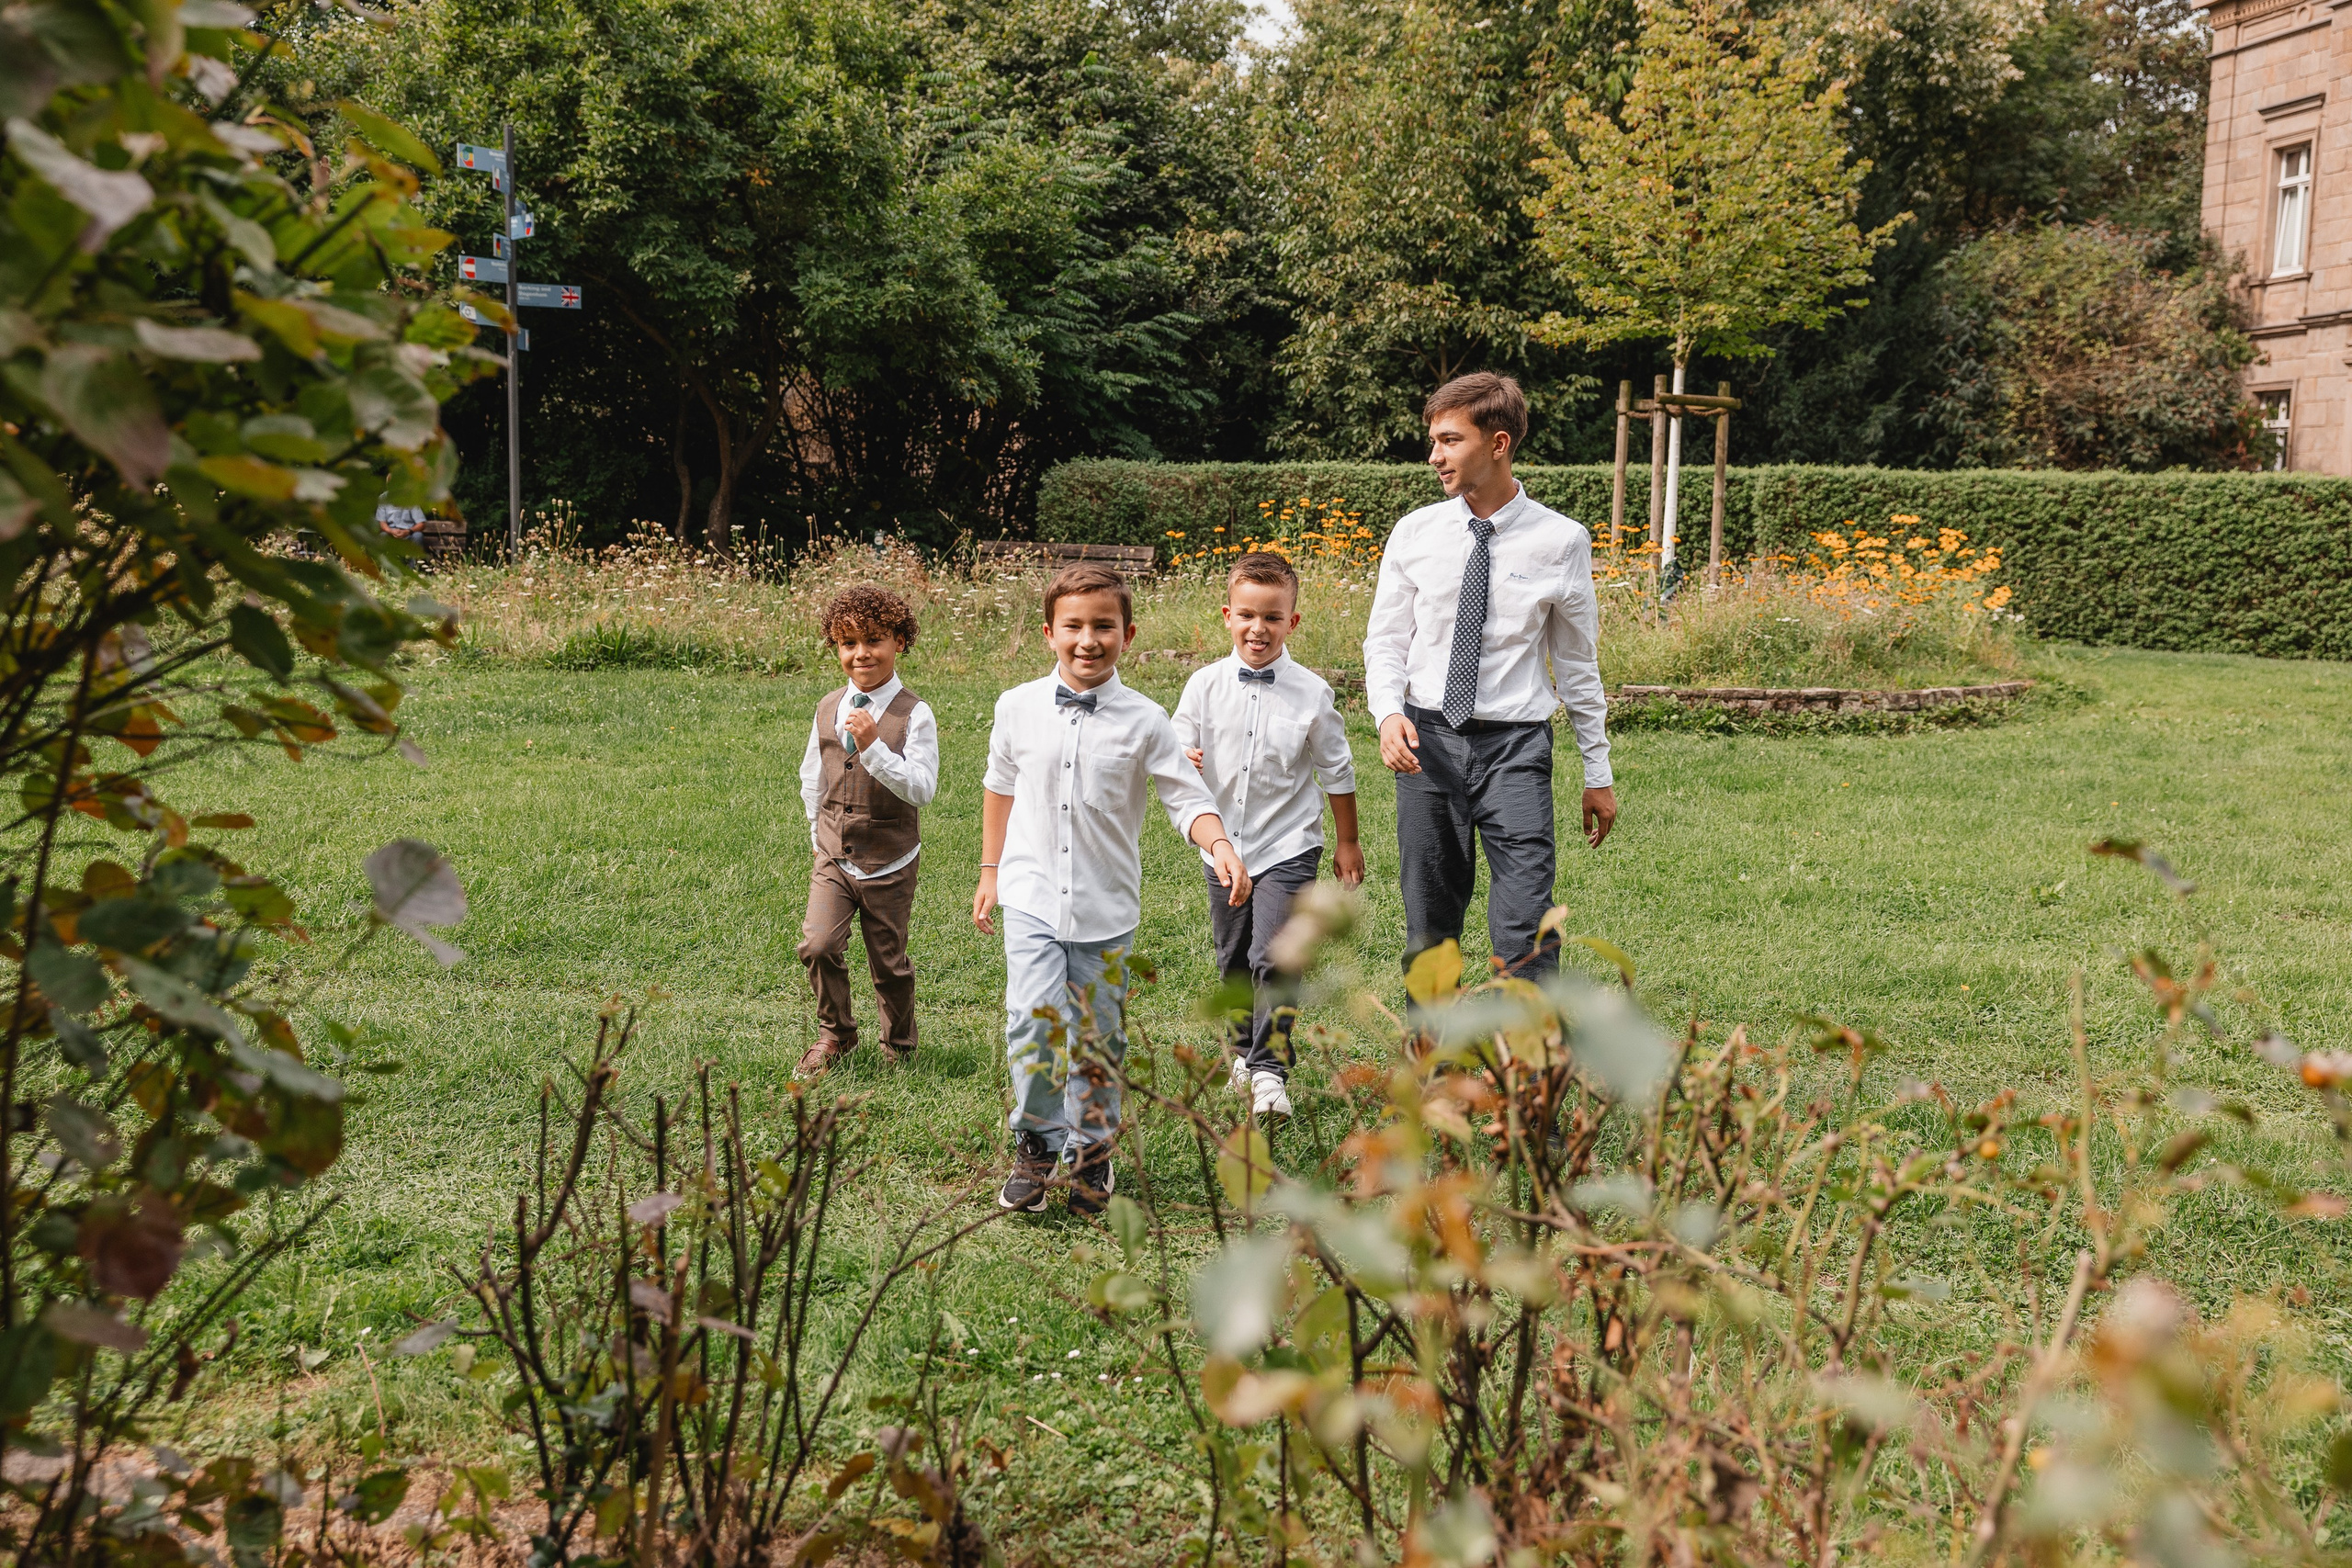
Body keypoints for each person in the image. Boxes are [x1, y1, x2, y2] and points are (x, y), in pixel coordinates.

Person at [974, 561, 1251, 1215]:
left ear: (1127, 634)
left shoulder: (1147, 720)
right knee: (1033, 1025)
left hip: (1106, 908)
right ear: (1048, 632)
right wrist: (990, 870)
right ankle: (1036, 1146)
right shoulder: (1016, 707)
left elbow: (1186, 797)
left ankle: (1092, 1151)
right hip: (1031, 896)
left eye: (1104, 626)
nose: (1088, 640)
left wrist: (1218, 843)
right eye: (1073, 626)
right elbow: (999, 785)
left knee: (1099, 1038)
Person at [1363, 371, 1618, 985]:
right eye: (1433, 440)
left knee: (1527, 925)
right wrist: (1388, 713)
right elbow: (1387, 640)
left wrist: (1598, 772)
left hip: (1516, 750)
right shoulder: (1415, 533)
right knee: (1430, 927)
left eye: (1450, 440)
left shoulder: (1562, 541)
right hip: (1426, 747)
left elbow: (1577, 663)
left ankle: (1525, 1048)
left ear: (1498, 443)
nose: (1434, 456)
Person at [1174, 551, 1363, 1118]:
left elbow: (1337, 770)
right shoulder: (1204, 685)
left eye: (1273, 617)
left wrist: (1348, 841)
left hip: (1288, 843)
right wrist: (1182, 755)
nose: (1259, 628)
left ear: (1292, 622)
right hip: (1223, 847)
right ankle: (1241, 1052)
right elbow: (1173, 743)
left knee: (1275, 956)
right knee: (1234, 956)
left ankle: (1270, 1069)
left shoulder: (1311, 693)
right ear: (1228, 616)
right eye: (1248, 615)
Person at [795, 585, 938, 1077]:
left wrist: (875, 747)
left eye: (874, 640)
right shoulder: (828, 706)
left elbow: (921, 789)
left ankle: (900, 1046)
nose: (861, 653)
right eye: (848, 643)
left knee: (888, 961)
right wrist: (818, 836)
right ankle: (836, 1036)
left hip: (890, 860)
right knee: (818, 945)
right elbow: (813, 775)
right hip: (833, 854)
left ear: (900, 641)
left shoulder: (914, 714)